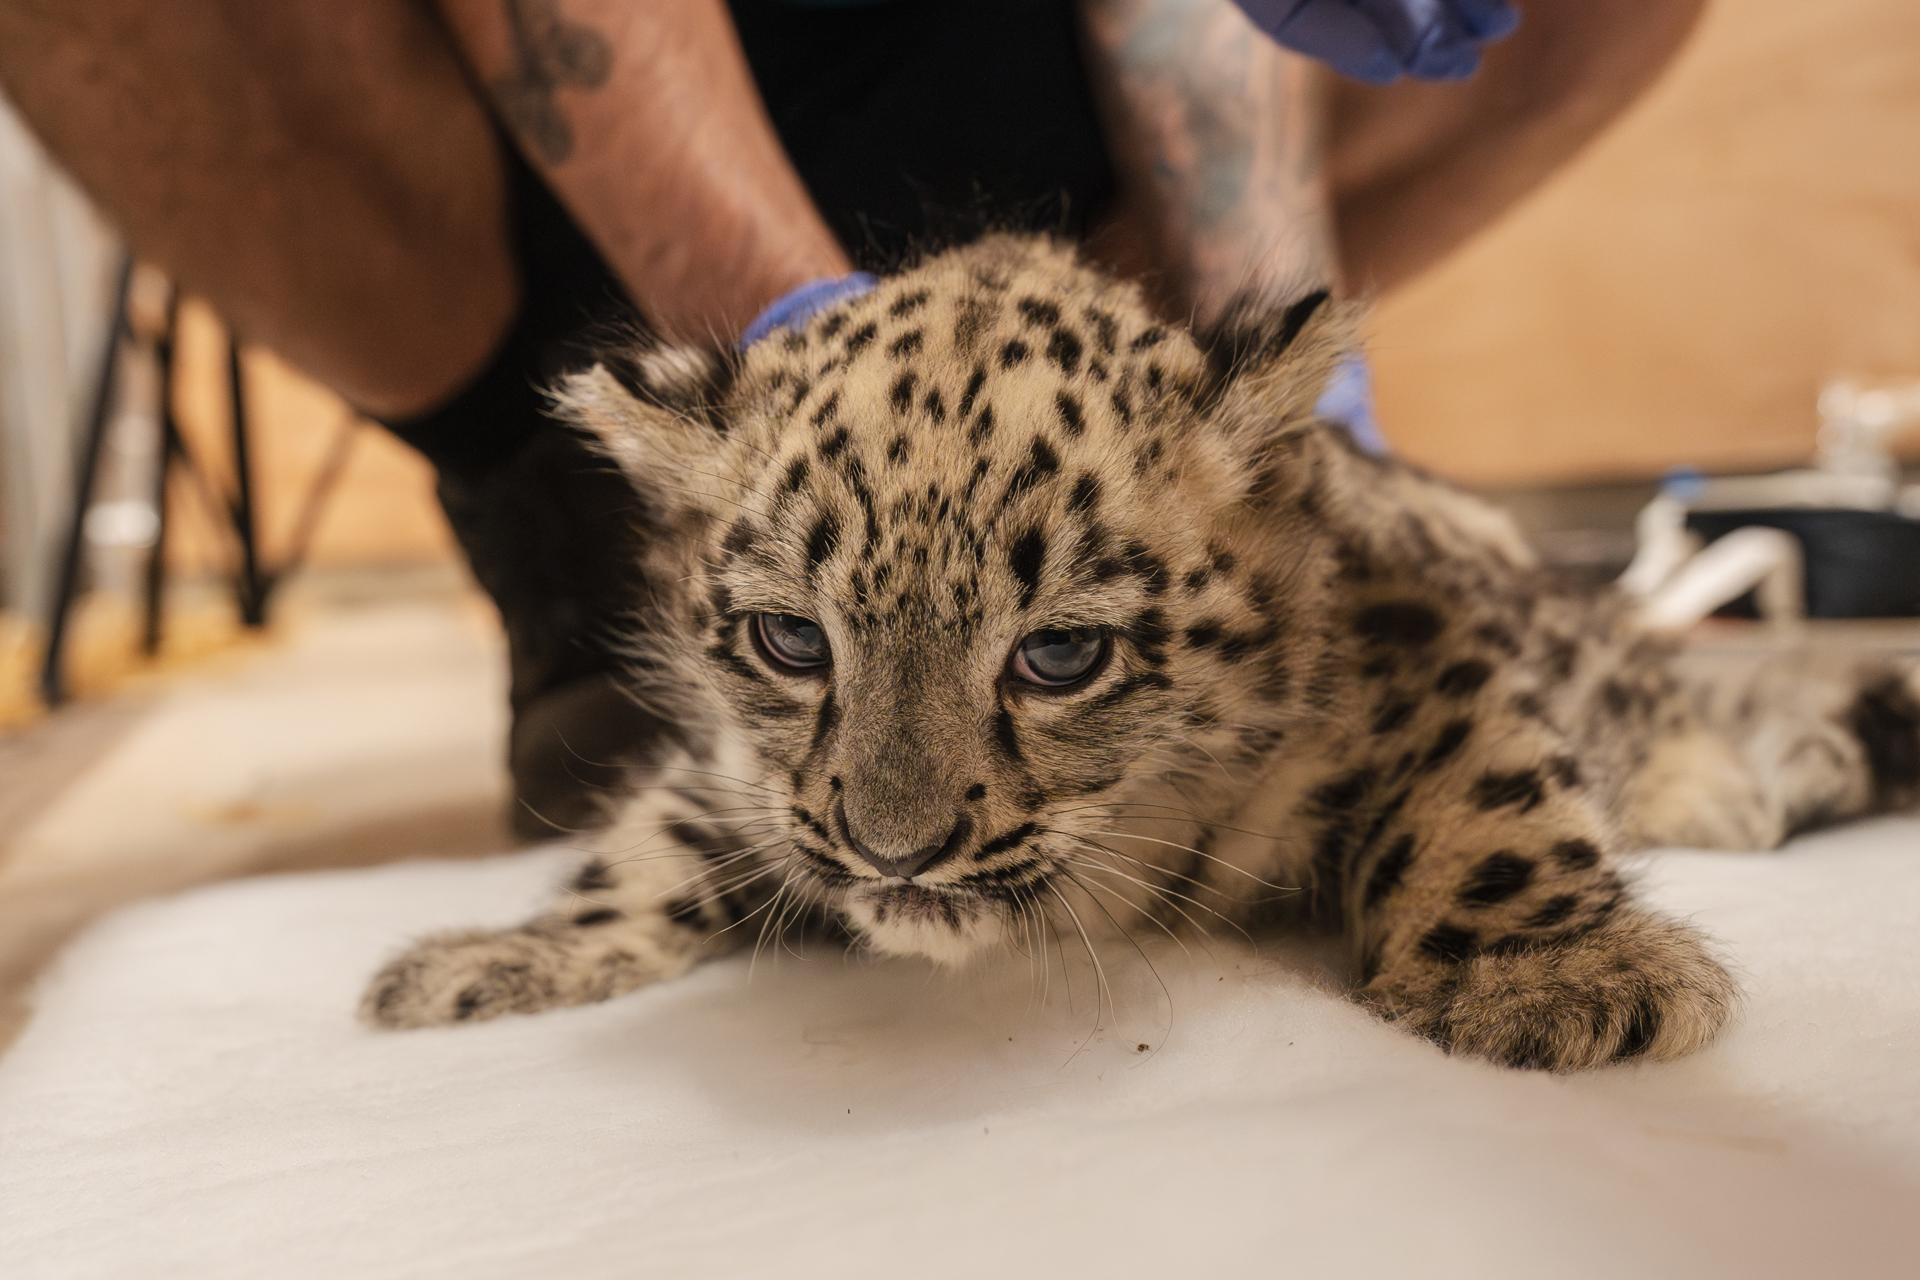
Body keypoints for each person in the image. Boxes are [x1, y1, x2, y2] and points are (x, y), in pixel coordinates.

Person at [0, 0, 1705, 833]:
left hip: (1059, 183)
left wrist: (1277, 417)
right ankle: (596, 547)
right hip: (539, 205)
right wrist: (799, 381)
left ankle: (1135, 540)